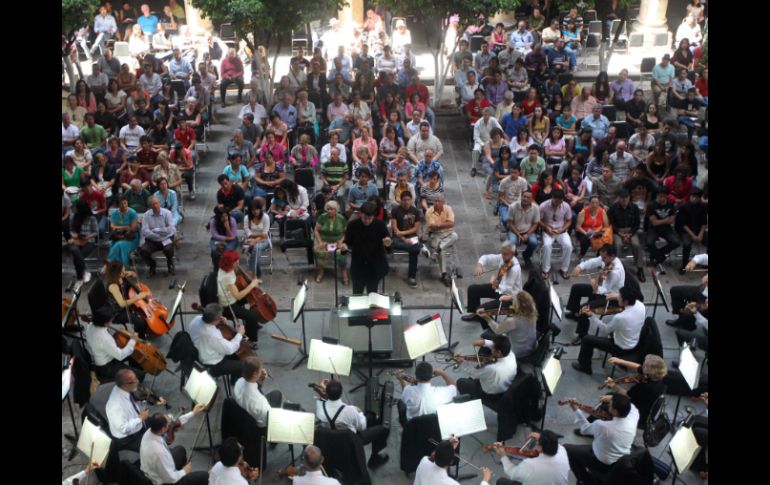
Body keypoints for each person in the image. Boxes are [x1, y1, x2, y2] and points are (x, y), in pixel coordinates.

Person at [563, 393, 639, 483]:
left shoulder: (603, 426)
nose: (609, 404)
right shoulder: (634, 414)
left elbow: (585, 429)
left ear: (615, 411)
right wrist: (611, 397)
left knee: (566, 449)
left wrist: (575, 409)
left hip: (603, 462)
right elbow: (630, 404)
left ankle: (585, 480)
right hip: (622, 458)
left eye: (610, 405)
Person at [315, 379, 390, 468]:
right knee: (382, 428)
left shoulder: (319, 405)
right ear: (341, 392)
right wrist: (359, 412)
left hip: (331, 438)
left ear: (326, 393)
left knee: (369, 417)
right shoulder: (349, 410)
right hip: (351, 441)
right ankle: (374, 458)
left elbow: (323, 400)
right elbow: (362, 426)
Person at [571, 286, 645, 375]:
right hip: (635, 341)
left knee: (587, 339)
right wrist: (616, 295)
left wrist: (592, 316)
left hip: (621, 347)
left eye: (620, 297)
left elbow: (606, 329)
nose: (618, 298)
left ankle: (585, 366)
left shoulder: (621, 317)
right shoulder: (640, 305)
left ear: (626, 301)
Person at [566, 243, 626, 344]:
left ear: (612, 256)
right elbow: (594, 261)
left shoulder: (616, 271)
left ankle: (582, 335)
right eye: (602, 257)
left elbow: (605, 290)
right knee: (576, 288)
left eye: (604, 258)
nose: (602, 259)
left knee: (585, 307)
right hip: (602, 289)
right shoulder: (606, 259)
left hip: (611, 298)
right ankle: (575, 313)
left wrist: (595, 286)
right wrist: (580, 267)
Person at [140, 406, 209, 485]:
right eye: (168, 424)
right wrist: (185, 471)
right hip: (164, 481)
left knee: (180, 450)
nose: (170, 424)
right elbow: (169, 478)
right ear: (163, 429)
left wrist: (193, 412)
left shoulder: (150, 431)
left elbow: (176, 422)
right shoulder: (158, 453)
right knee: (205, 476)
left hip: (162, 468)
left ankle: (184, 477)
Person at [461, 241, 522, 325]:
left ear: (512, 253)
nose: (502, 256)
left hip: (508, 297)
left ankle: (489, 328)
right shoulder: (503, 257)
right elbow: (487, 258)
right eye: (502, 253)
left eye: (505, 254)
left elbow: (506, 288)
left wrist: (494, 282)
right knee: (473, 289)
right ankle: (475, 315)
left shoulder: (515, 268)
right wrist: (479, 265)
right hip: (498, 289)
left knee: (481, 309)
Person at [106, 368, 156, 465]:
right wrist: (140, 419)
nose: (137, 381)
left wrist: (142, 403)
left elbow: (131, 404)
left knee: (158, 420)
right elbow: (123, 428)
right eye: (134, 381)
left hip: (136, 420)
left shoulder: (121, 388)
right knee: (153, 449)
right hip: (128, 438)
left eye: (136, 378)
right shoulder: (116, 406)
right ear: (125, 385)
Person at [602, 355, 668, 426]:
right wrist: (621, 361)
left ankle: (610, 425)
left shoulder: (645, 387)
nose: (642, 366)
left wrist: (613, 385)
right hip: (646, 406)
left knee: (607, 400)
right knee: (611, 396)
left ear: (648, 372)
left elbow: (627, 395)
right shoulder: (658, 376)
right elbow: (638, 367)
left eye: (644, 366)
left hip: (639, 413)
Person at [342, 201, 392, 294]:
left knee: (372, 293)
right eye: (365, 218)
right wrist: (344, 247)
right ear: (360, 214)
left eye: (370, 218)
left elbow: (388, 244)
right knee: (357, 293)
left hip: (374, 264)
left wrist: (388, 244)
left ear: (374, 216)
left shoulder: (380, 225)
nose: (367, 221)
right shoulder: (352, 225)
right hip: (358, 264)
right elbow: (347, 242)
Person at [86, 306, 146, 382]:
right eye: (111, 320)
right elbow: (120, 355)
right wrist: (133, 340)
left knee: (134, 355)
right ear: (105, 323)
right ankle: (134, 379)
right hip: (106, 366)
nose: (112, 322)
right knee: (141, 376)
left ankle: (133, 369)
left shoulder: (90, 326)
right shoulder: (105, 338)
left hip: (105, 355)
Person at [193, 299, 246, 385]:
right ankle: (235, 381)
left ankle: (234, 375)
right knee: (243, 365)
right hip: (213, 364)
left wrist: (217, 321)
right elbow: (230, 349)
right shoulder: (212, 335)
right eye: (220, 316)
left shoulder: (196, 320)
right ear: (214, 320)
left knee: (235, 355)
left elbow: (210, 326)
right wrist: (240, 333)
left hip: (200, 352)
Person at [475, 289, 538, 359]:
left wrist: (487, 318)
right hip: (530, 348)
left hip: (517, 353)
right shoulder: (532, 312)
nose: (512, 302)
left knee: (488, 342)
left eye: (513, 301)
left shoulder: (512, 321)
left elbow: (497, 330)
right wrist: (510, 298)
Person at [492, 430, 570, 485]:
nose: (536, 445)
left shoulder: (530, 465)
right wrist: (540, 437)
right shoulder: (562, 450)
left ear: (541, 448)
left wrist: (503, 455)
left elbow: (512, 473)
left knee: (501, 481)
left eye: (537, 444)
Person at [455, 335, 517, 402]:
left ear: (499, 352)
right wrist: (484, 342)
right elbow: (494, 345)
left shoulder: (491, 368)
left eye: (493, 348)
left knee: (461, 382)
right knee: (484, 349)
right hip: (505, 384)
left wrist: (461, 362)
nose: (491, 349)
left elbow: (473, 373)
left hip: (491, 393)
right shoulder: (511, 354)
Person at [414, 436, 492, 485]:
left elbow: (436, 455)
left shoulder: (424, 460)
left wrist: (448, 447)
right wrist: (485, 480)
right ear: (451, 462)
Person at [233, 356, 282, 428]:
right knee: (277, 395)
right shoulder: (261, 403)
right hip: (260, 425)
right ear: (255, 374)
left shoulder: (238, 382)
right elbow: (265, 422)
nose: (263, 370)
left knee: (276, 394)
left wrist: (260, 378)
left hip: (246, 409)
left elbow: (253, 385)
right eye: (260, 369)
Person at [608, 189, 645, 281]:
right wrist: (620, 234)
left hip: (631, 230)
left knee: (637, 245)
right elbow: (611, 224)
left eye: (626, 198)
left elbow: (637, 224)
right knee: (617, 245)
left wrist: (630, 234)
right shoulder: (613, 208)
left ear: (629, 198)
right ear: (619, 199)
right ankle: (619, 269)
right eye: (622, 198)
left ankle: (640, 269)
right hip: (618, 231)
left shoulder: (634, 207)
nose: (624, 200)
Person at [424, 195, 460, 286]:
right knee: (442, 251)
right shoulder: (429, 211)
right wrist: (444, 224)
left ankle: (437, 249)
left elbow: (451, 224)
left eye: (439, 201)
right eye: (435, 201)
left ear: (443, 203)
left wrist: (439, 225)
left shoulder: (448, 209)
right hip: (435, 235)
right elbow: (433, 227)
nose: (436, 203)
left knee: (455, 236)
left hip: (448, 233)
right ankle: (443, 273)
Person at [390, 191, 423, 288]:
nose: (406, 202)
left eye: (408, 200)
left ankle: (412, 277)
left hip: (411, 236)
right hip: (398, 238)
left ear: (411, 200)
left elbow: (415, 228)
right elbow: (395, 228)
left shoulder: (416, 211)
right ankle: (421, 247)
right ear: (401, 200)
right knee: (414, 248)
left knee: (414, 251)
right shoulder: (395, 210)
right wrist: (403, 238)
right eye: (404, 200)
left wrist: (404, 234)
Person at [137, 196, 176, 276]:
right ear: (150, 206)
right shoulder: (146, 215)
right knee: (143, 251)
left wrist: (156, 230)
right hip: (152, 241)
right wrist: (159, 234)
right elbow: (145, 231)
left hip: (166, 239)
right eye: (153, 204)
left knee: (168, 249)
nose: (155, 206)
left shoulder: (167, 213)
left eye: (156, 203)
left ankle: (170, 264)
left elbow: (171, 229)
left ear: (159, 203)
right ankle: (152, 265)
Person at [539, 190, 573, 280]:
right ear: (552, 198)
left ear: (562, 200)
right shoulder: (543, 205)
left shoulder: (566, 206)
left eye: (559, 201)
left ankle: (564, 269)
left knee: (569, 246)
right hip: (548, 230)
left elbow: (569, 220)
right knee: (546, 246)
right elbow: (539, 219)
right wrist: (546, 227)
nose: (557, 203)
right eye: (555, 201)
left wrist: (562, 228)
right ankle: (545, 269)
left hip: (561, 230)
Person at [313, 200, 349, 284]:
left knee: (343, 253)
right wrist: (320, 241)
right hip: (324, 240)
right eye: (328, 209)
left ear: (336, 210)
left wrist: (340, 241)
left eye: (332, 209)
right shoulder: (322, 217)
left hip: (337, 241)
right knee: (320, 253)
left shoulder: (341, 218)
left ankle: (344, 273)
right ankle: (321, 272)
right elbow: (316, 230)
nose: (329, 211)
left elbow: (346, 233)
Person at [646, 187, 680, 270]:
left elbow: (671, 221)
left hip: (666, 228)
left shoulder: (670, 204)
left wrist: (661, 221)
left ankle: (658, 255)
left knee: (676, 242)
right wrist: (666, 220)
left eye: (663, 196)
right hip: (654, 229)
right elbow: (654, 222)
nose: (661, 198)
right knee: (649, 243)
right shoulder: (651, 205)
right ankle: (660, 257)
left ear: (667, 196)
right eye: (659, 196)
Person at [67, 199, 98, 284]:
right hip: (77, 239)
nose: (74, 209)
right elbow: (71, 230)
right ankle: (84, 271)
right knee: (75, 250)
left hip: (89, 241)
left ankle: (80, 275)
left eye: (76, 207)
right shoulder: (74, 217)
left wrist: (88, 236)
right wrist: (75, 235)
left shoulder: (91, 218)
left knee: (77, 254)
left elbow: (96, 232)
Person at [108, 195, 141, 268]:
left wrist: (118, 228)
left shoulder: (132, 212)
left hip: (131, 238)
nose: (123, 205)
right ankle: (116, 268)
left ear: (127, 203)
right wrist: (125, 227)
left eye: (125, 203)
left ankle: (110, 265)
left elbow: (132, 228)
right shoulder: (115, 213)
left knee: (119, 245)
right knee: (112, 243)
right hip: (118, 237)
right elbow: (112, 227)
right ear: (118, 205)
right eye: (121, 203)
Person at [243, 200, 271, 278]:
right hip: (250, 240)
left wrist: (254, 240)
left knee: (255, 248)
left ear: (260, 209)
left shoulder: (265, 217)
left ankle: (251, 273)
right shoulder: (247, 218)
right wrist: (260, 235)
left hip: (264, 241)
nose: (255, 211)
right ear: (250, 210)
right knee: (256, 250)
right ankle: (256, 274)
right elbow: (248, 234)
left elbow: (265, 235)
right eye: (253, 210)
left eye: (257, 209)